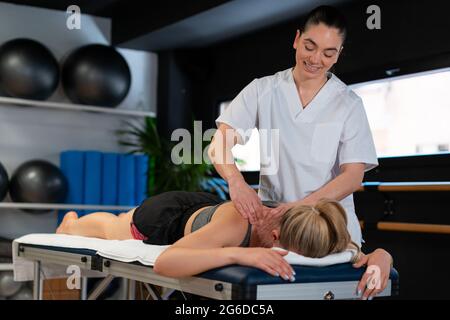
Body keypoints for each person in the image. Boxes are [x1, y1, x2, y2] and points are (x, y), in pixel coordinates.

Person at [207, 5, 387, 299]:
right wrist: (236, 182)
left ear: (339, 54)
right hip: (274, 227)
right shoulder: (263, 90)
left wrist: (299, 207)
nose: (316, 59)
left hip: (330, 228)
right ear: (296, 39)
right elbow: (219, 143)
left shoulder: (349, 104)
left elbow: (353, 177)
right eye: (309, 46)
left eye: (329, 53)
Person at [56, 191, 393, 299]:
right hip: (169, 219)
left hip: (210, 212)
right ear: (275, 238)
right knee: (116, 227)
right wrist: (240, 253)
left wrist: (382, 260)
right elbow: (166, 262)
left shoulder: (316, 229)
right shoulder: (238, 228)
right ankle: (71, 223)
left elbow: (370, 253)